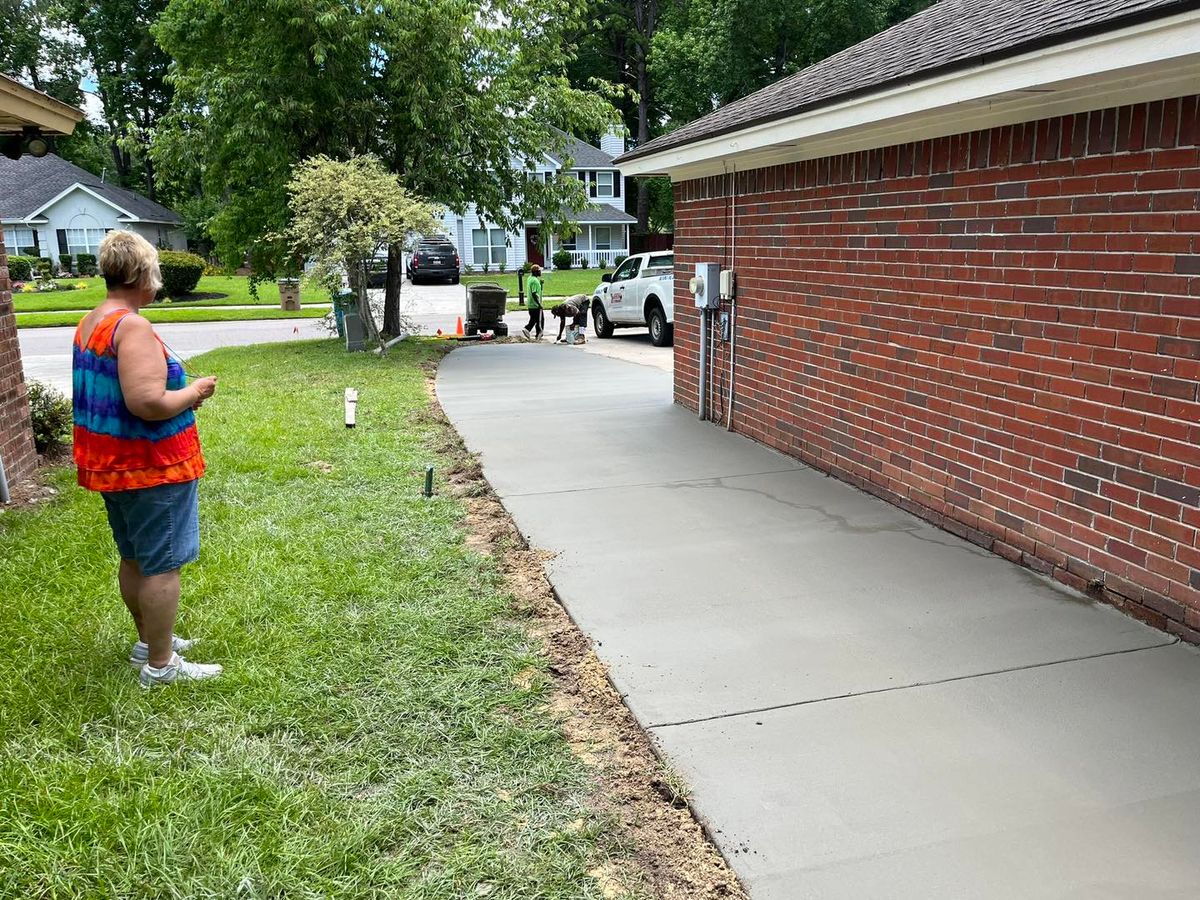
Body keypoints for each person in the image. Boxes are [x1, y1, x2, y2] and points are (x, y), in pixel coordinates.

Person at [73, 230, 222, 687]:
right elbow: (148, 403)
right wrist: (193, 392)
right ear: (143, 273)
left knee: (135, 557)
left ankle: (149, 640)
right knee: (162, 564)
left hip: (116, 464)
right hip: (151, 466)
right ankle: (161, 665)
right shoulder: (132, 325)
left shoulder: (93, 319)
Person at [522, 264, 544, 340]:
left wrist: (540, 284)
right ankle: (533, 331)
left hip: (530, 304)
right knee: (540, 320)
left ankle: (536, 333)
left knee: (534, 319)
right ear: (536, 272)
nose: (541, 272)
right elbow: (534, 293)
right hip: (535, 305)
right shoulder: (534, 281)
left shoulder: (530, 278)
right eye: (539, 271)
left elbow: (535, 289)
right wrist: (539, 304)